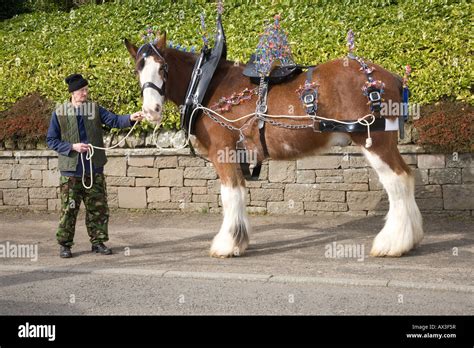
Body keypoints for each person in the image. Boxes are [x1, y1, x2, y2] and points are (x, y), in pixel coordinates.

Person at [47, 73, 143, 258]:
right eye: (82, 90)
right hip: (71, 171)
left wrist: (131, 117)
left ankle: (98, 242)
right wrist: (72, 147)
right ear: (73, 93)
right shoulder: (59, 113)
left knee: (98, 209)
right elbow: (51, 140)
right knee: (69, 209)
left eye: (86, 89)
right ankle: (65, 245)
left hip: (94, 168)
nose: (85, 92)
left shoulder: (95, 109)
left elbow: (114, 120)